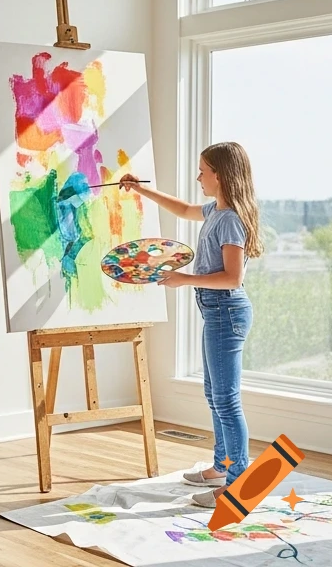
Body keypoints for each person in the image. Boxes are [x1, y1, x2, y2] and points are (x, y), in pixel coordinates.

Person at [120, 142, 262, 510]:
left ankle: (238, 484)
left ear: (221, 174)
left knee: (226, 401)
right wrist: (139, 188)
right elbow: (182, 209)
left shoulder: (230, 219)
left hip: (226, 311)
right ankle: (221, 467)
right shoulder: (217, 209)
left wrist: (184, 279)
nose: (198, 176)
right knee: (214, 395)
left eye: (202, 170)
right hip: (216, 312)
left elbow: (233, 277)